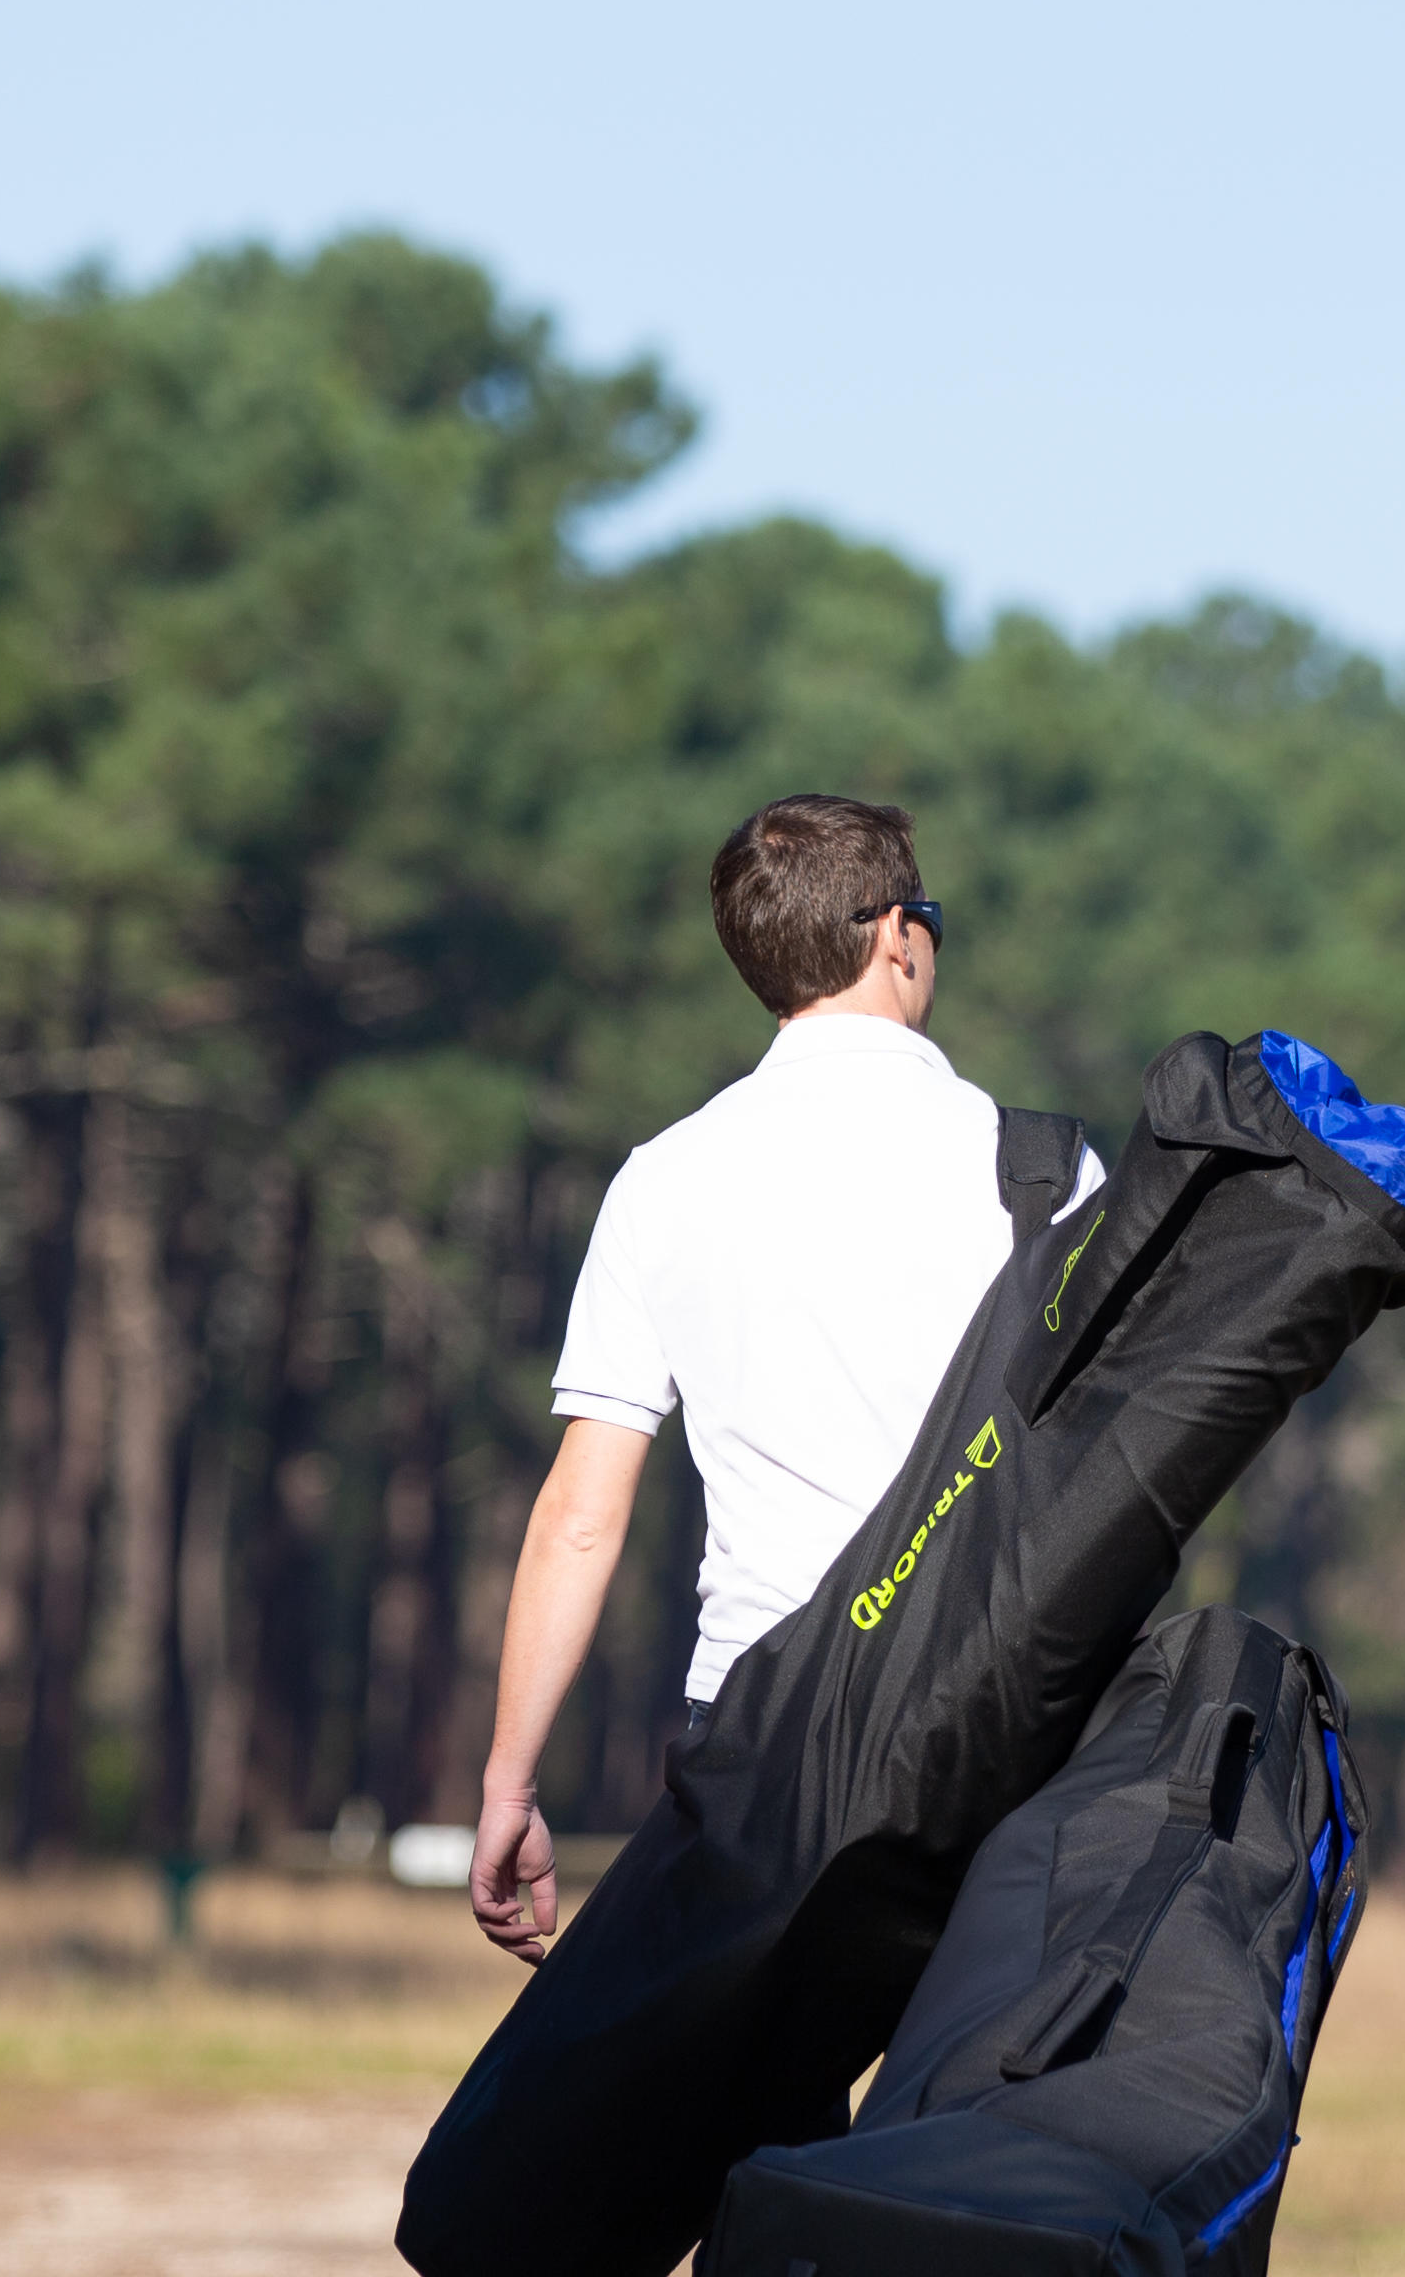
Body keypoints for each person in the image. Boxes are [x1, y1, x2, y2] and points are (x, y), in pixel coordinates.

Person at [464, 795, 1095, 1964]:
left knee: (748, 2073)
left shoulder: (662, 1180)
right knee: (973, 2071)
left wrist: (511, 1784)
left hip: (759, 1720)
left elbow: (581, 1521)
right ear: (897, 934)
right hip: (997, 1716)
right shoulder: (1048, 1174)